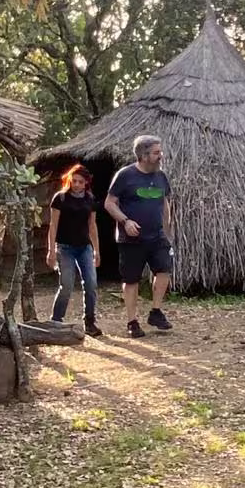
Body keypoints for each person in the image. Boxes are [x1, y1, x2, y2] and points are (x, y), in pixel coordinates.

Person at [104, 135, 173, 338]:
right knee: (131, 279)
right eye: (156, 153)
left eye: (160, 151)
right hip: (131, 239)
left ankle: (156, 311)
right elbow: (109, 203)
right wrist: (126, 221)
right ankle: (132, 321)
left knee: (164, 270)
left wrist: (167, 230)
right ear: (143, 155)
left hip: (157, 236)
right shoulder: (125, 175)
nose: (160, 156)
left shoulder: (161, 177)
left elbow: (165, 203)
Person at [45, 165, 103, 337]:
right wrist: (51, 250)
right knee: (67, 285)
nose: (76, 184)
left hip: (84, 247)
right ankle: (56, 321)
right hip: (65, 247)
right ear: (69, 180)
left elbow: (92, 226)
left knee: (91, 284)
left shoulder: (90, 199)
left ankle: (90, 322)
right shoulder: (60, 198)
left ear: (86, 183)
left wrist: (96, 250)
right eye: (74, 181)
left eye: (80, 182)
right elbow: (53, 225)